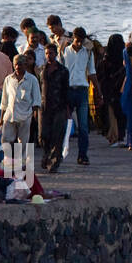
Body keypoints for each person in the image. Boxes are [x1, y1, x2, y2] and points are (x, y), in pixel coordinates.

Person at [58, 27, 96, 165]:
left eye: (81, 41)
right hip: (68, 90)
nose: (79, 44)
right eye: (77, 41)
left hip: (82, 90)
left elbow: (92, 72)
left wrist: (98, 92)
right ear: (73, 39)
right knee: (64, 125)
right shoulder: (64, 51)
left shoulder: (88, 53)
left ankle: (82, 155)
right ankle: (59, 154)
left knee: (84, 127)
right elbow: (60, 70)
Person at [38, 42, 70, 172]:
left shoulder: (63, 71)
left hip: (59, 106)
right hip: (44, 107)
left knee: (57, 136)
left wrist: (67, 108)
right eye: (46, 53)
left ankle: (54, 162)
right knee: (43, 135)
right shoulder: (41, 70)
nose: (48, 56)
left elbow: (66, 90)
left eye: (51, 53)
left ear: (56, 54)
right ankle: (47, 155)